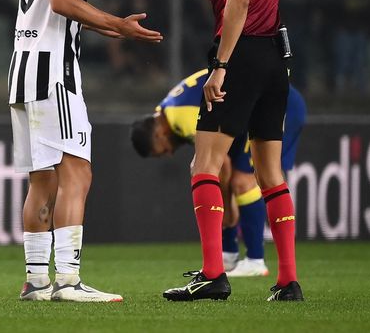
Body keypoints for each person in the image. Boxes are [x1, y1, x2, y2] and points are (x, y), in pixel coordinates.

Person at [127, 0, 303, 301]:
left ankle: (212, 274)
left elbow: (238, 1)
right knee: (271, 174)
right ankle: (288, 281)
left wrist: (221, 65)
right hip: (275, 59)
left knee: (203, 164)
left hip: (240, 57)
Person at [9, 0, 162, 302]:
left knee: (43, 182)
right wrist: (118, 26)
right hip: (53, 72)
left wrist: (107, 29)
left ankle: (37, 283)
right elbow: (60, 0)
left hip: (24, 70)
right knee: (78, 171)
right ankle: (69, 282)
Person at [130, 69, 307, 277]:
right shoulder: (166, 110)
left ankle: (255, 260)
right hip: (251, 110)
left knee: (242, 181)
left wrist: (229, 211)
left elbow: (221, 165)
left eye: (161, 151)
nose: (168, 154)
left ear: (159, 134)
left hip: (280, 106)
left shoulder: (181, 118)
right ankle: (230, 255)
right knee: (226, 181)